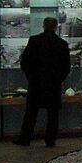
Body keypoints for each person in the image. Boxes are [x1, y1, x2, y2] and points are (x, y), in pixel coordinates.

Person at [14, 17, 71, 147]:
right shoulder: (61, 44)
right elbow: (66, 67)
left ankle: (25, 138)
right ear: (55, 27)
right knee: (53, 114)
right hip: (53, 85)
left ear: (43, 26)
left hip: (36, 83)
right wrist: (58, 80)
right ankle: (50, 140)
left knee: (31, 113)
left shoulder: (34, 41)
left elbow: (25, 62)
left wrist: (31, 78)